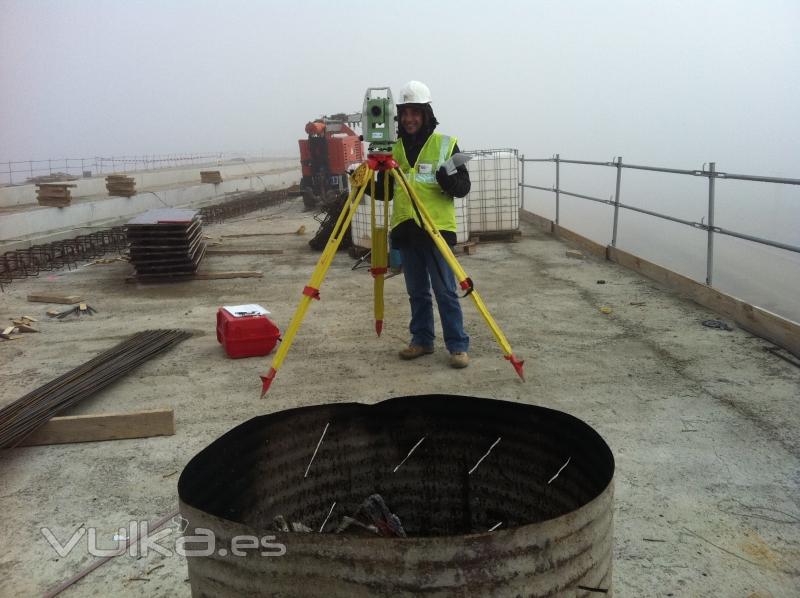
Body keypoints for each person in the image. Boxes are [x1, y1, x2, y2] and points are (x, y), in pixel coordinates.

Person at [373, 80, 472, 368]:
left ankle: (457, 345)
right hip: (406, 230)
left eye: (415, 112)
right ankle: (422, 340)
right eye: (404, 113)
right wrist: (365, 182)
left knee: (445, 291)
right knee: (416, 292)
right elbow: (386, 193)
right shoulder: (393, 149)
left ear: (426, 113)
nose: (409, 119)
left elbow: (463, 187)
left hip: (437, 230)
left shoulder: (446, 144)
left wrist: (448, 179)